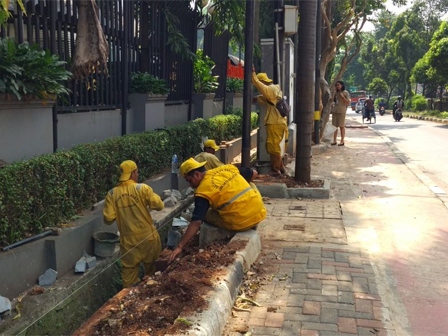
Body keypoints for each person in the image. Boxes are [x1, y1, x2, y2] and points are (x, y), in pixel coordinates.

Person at [168, 158, 267, 262]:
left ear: (197, 174)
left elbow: (197, 221)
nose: (190, 185)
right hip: (259, 213)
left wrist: (180, 246)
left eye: (189, 180)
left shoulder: (202, 191)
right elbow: (254, 173)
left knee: (206, 214)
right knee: (251, 184)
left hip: (241, 223)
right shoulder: (227, 168)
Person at [103, 160, 164, 288]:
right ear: (133, 173)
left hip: (128, 241)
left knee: (129, 276)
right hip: (148, 238)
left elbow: (108, 218)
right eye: (137, 172)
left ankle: (128, 300)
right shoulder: (142, 189)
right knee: (154, 273)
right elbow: (159, 205)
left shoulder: (112, 194)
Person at [252, 71, 287, 175]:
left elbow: (261, 87)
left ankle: (275, 170)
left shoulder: (270, 89)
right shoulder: (275, 89)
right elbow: (267, 99)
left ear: (263, 82)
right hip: (279, 121)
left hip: (275, 122)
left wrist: (252, 74)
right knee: (275, 146)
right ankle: (281, 168)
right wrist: (257, 98)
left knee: (273, 146)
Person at [331, 81, 350, 146]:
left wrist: (343, 97)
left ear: (342, 85)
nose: (337, 86)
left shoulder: (345, 92)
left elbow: (348, 102)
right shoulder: (336, 93)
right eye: (336, 85)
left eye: (338, 85)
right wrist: (334, 93)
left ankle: (342, 141)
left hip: (341, 111)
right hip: (335, 110)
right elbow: (332, 100)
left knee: (341, 126)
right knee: (334, 126)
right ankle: (334, 140)